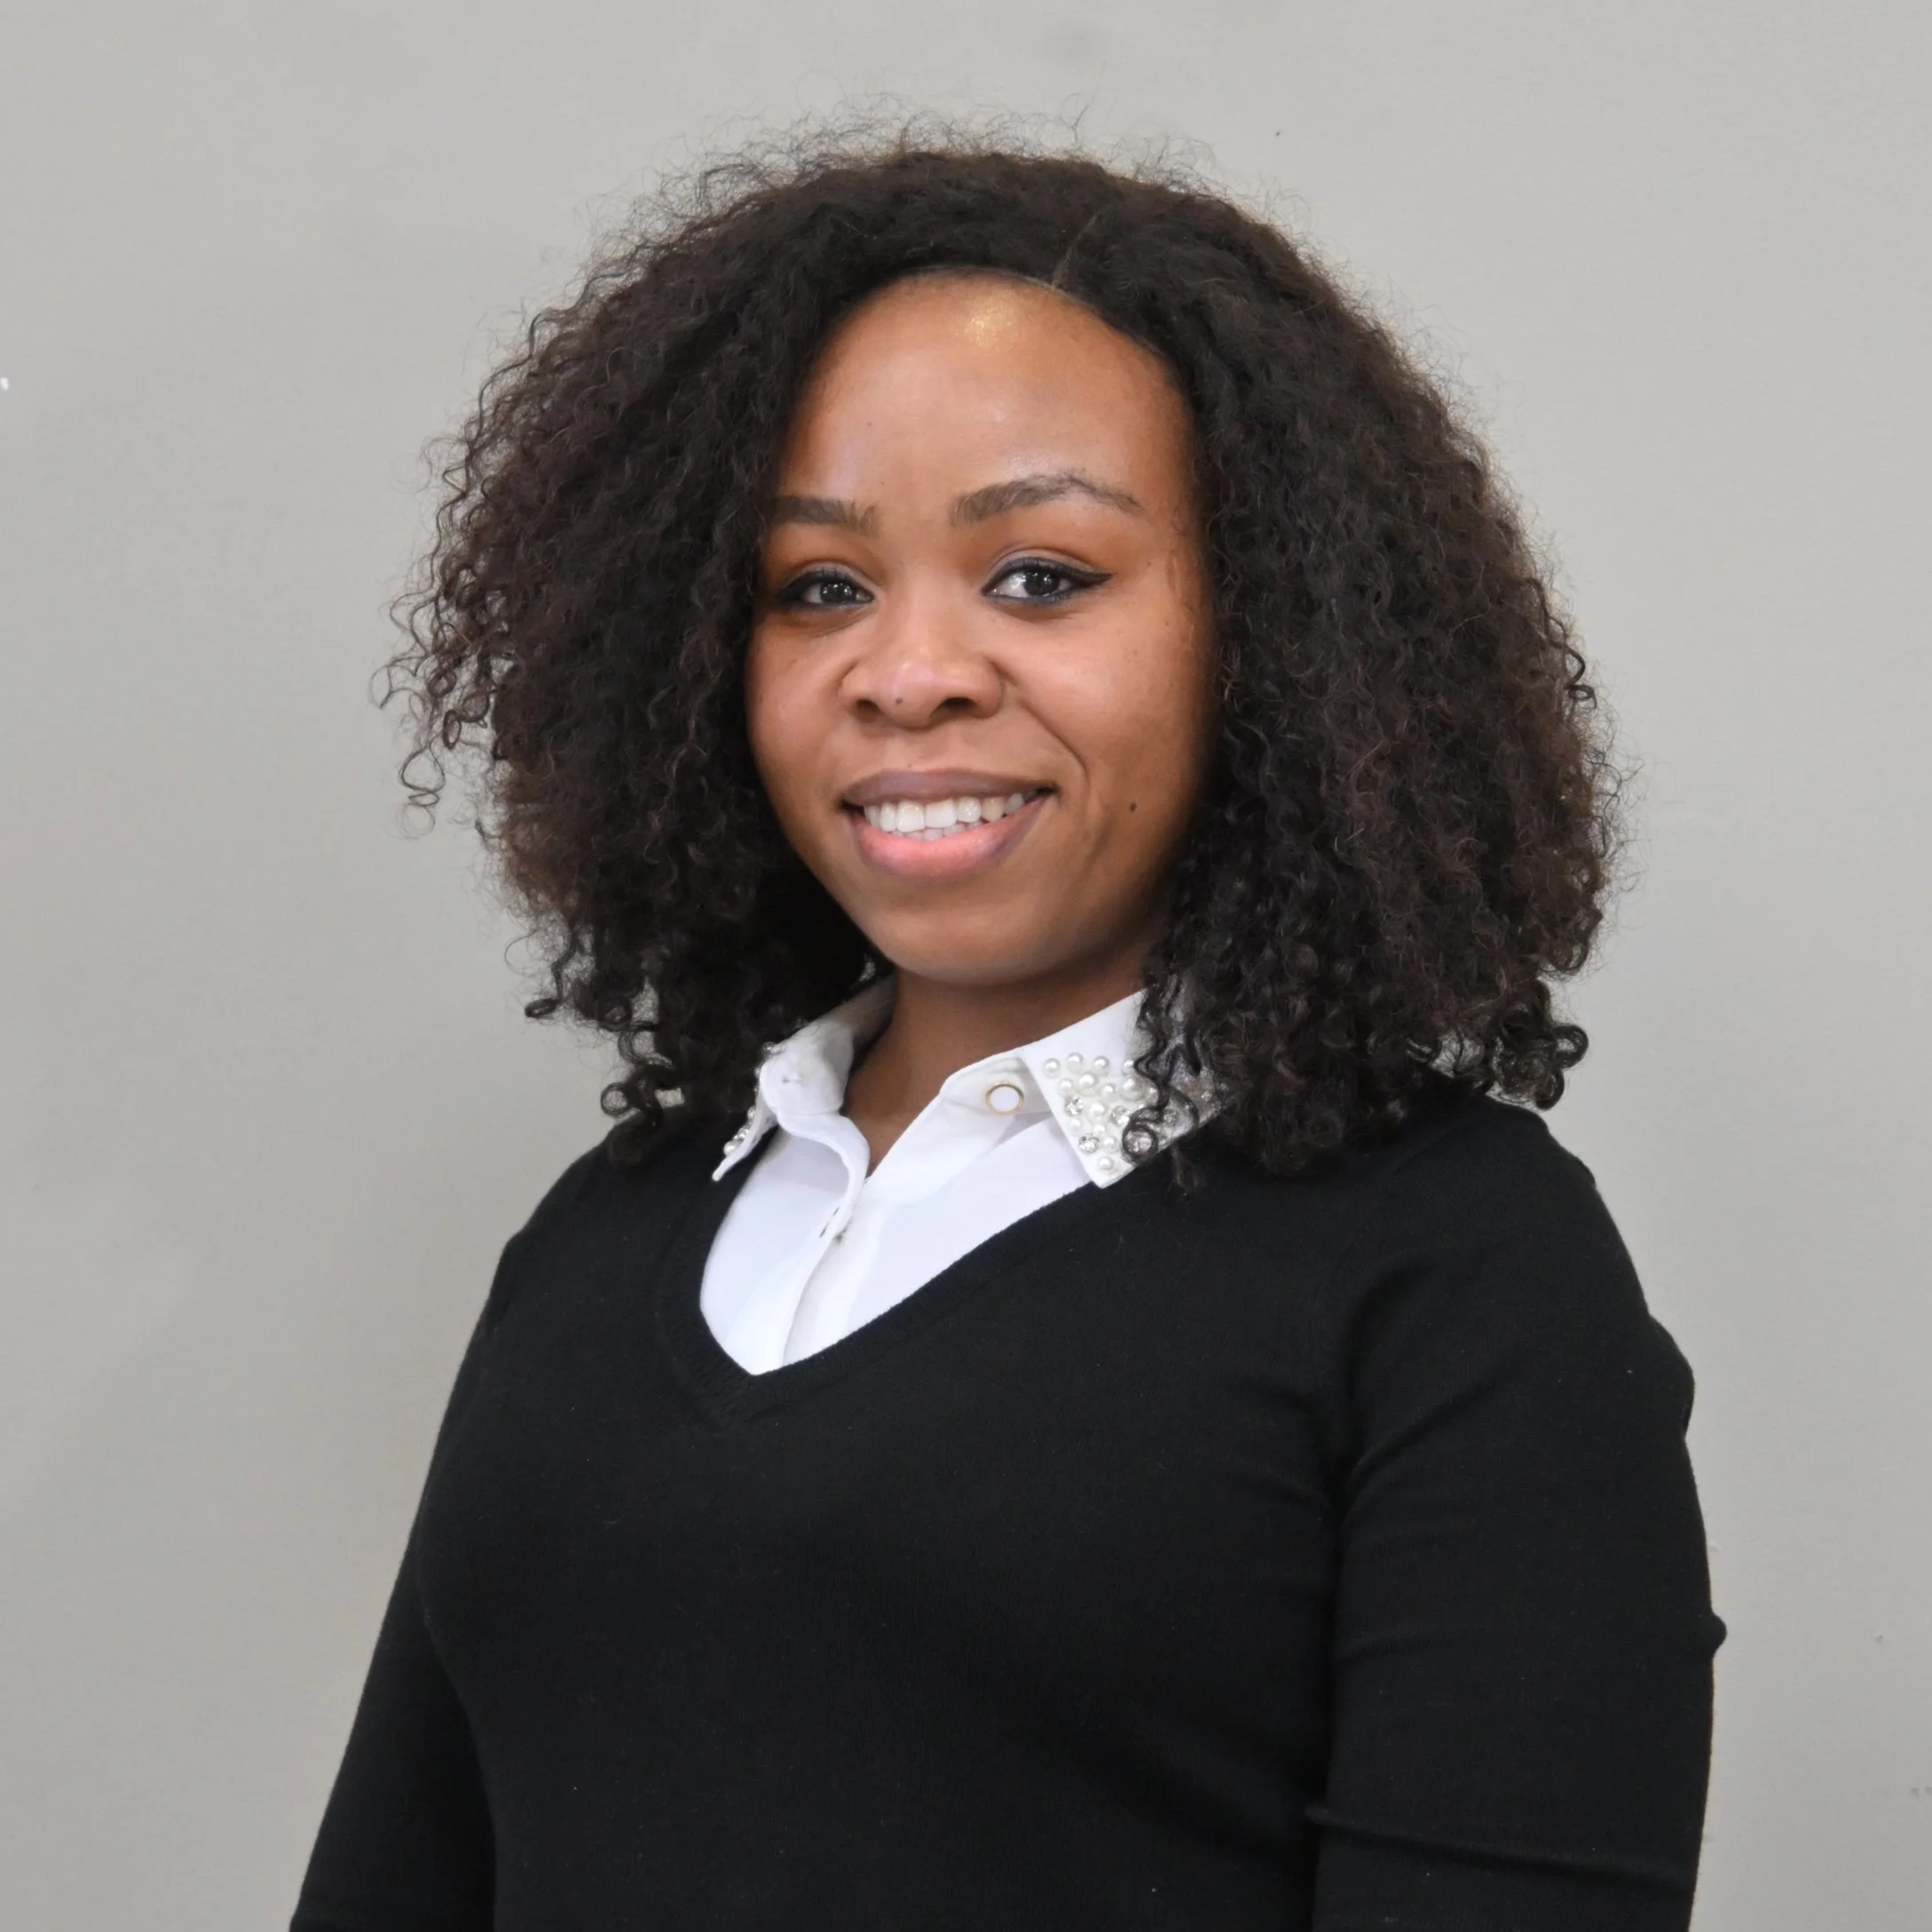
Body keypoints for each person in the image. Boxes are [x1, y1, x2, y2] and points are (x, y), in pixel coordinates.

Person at [292, 132, 1723, 1931]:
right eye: (818, 586)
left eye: (1040, 575)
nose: (908, 672)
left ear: (1269, 641)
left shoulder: (1452, 1268)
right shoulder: (610, 1234)